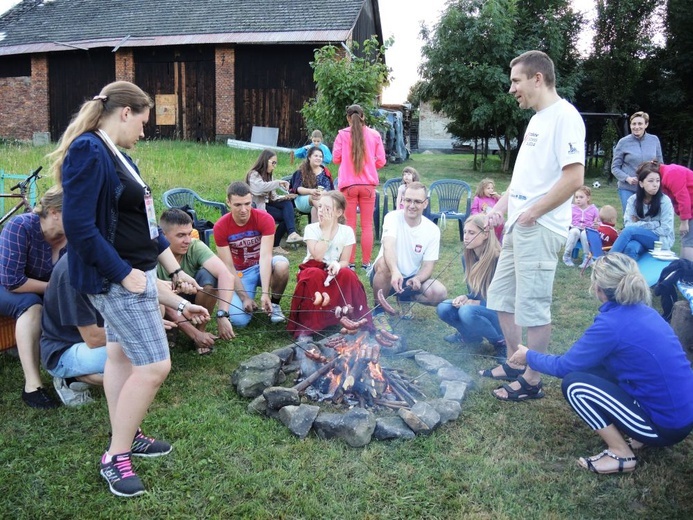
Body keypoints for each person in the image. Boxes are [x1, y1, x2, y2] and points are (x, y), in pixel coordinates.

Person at [52, 81, 207, 498]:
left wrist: (175, 270)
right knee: (156, 366)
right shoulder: (89, 150)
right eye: (143, 121)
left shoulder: (120, 154)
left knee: (119, 355)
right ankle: (115, 456)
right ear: (125, 112)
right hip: (116, 279)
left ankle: (130, 435)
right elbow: (79, 227)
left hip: (134, 272)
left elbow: (147, 226)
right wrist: (123, 273)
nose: (144, 131)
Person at [505, 254, 693, 474]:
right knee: (595, 369)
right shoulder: (645, 312)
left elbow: (564, 367)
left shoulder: (612, 324)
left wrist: (529, 355)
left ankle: (621, 454)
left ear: (599, 289)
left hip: (666, 426)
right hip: (681, 417)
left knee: (575, 385)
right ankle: (640, 436)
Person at [484, 50, 585, 400]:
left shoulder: (565, 117)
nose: (512, 89)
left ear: (537, 78)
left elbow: (574, 178)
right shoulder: (536, 120)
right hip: (518, 225)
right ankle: (515, 360)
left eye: (516, 81)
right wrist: (500, 207)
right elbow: (522, 182)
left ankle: (532, 378)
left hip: (541, 228)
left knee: (534, 305)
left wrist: (534, 212)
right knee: (501, 298)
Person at [42, 253, 210, 407]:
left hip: (100, 335)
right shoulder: (72, 274)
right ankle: (69, 378)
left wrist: (183, 305)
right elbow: (92, 338)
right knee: (133, 362)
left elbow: (147, 283)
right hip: (65, 349)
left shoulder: (110, 254)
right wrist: (142, 330)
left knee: (145, 349)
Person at [0, 186, 66, 409]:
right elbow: (12, 280)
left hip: (43, 289)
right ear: (55, 212)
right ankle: (32, 387)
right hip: (6, 286)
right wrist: (55, 288)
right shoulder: (22, 226)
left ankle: (72, 368)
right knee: (32, 305)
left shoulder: (73, 237)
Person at [287, 191, 372, 341]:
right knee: (314, 275)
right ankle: (309, 326)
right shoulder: (311, 229)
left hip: (333, 269)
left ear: (339, 212)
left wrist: (338, 265)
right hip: (313, 267)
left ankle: (350, 318)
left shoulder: (346, 231)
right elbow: (317, 256)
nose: (321, 211)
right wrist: (326, 230)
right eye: (320, 207)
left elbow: (345, 260)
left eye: (327, 208)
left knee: (348, 274)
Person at [370, 181, 447, 331]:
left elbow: (428, 265)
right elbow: (388, 246)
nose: (412, 205)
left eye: (417, 201)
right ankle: (378, 311)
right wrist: (395, 271)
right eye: (408, 200)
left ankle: (404, 298)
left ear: (425, 203)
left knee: (439, 293)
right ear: (403, 200)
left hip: (409, 279)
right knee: (385, 265)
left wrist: (417, 278)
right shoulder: (392, 217)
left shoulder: (432, 230)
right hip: (386, 275)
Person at [157, 209, 235, 355]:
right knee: (159, 299)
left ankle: (201, 330)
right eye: (180, 235)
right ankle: (183, 332)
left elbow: (226, 275)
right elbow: (162, 300)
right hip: (166, 303)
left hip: (193, 301)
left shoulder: (195, 246)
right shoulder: (151, 254)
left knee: (210, 278)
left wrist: (222, 314)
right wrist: (193, 334)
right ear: (163, 236)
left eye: (189, 233)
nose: (187, 240)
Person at [213, 181, 290, 327]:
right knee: (239, 321)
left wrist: (265, 293)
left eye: (247, 203)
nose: (244, 209)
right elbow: (228, 266)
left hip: (262, 265)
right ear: (228, 202)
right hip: (240, 272)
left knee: (282, 264)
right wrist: (244, 297)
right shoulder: (220, 227)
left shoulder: (265, 219)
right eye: (238, 205)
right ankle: (244, 298)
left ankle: (274, 304)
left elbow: (266, 257)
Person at [436, 214, 506, 360]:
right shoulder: (467, 258)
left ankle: (501, 342)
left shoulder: (498, 260)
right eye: (465, 232)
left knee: (467, 311)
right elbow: (475, 293)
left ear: (486, 234)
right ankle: (471, 336)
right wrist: (466, 297)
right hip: (483, 309)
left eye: (472, 233)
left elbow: (506, 300)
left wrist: (477, 303)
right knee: (443, 307)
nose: (466, 237)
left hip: (502, 314)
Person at [332, 104, 386, 270]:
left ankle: (350, 262)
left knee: (350, 226)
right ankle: (366, 263)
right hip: (368, 186)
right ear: (363, 116)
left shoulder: (342, 135)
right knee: (367, 225)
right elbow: (381, 161)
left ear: (348, 118)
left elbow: (336, 158)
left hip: (348, 185)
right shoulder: (374, 135)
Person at [610, 162, 674, 260]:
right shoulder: (633, 200)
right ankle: (627, 274)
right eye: (651, 181)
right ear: (641, 183)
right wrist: (655, 224)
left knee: (630, 231)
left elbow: (665, 229)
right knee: (631, 247)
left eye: (657, 181)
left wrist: (639, 226)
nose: (655, 185)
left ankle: (605, 263)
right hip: (639, 237)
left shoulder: (664, 201)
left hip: (660, 240)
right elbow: (628, 224)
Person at [245, 149, 302, 254]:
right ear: (265, 160)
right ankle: (276, 244)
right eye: (273, 163)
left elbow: (274, 196)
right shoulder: (254, 174)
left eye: (276, 163)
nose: (274, 166)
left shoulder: (269, 175)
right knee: (287, 216)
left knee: (287, 205)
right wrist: (278, 182)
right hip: (257, 207)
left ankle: (291, 234)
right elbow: (259, 188)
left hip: (268, 204)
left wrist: (286, 196)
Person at [611, 111, 663, 214]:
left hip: (648, 187)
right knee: (630, 216)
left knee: (647, 216)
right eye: (633, 124)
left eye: (640, 124)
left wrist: (655, 169)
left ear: (646, 124)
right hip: (628, 188)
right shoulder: (623, 142)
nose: (636, 127)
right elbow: (615, 168)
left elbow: (661, 164)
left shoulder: (654, 140)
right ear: (630, 125)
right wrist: (627, 178)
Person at [657, 161, 693, 261]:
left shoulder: (671, 173)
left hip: (690, 209)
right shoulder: (667, 173)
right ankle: (682, 269)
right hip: (690, 209)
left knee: (689, 243)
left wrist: (684, 222)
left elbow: (683, 198)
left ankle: (687, 274)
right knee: (686, 241)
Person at [289, 146, 334, 223]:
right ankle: (328, 216)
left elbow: (329, 189)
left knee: (315, 209)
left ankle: (316, 233)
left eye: (320, 156)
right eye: (316, 156)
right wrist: (311, 191)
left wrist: (321, 193)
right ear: (309, 157)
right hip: (302, 199)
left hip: (320, 199)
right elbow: (298, 189)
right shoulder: (301, 171)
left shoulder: (325, 172)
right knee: (314, 197)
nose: (318, 158)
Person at [562, 186, 599, 268]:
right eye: (576, 197)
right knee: (575, 231)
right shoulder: (572, 208)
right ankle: (567, 255)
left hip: (587, 232)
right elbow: (566, 219)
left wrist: (597, 225)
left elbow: (598, 222)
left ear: (588, 198)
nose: (578, 199)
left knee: (585, 234)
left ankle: (587, 258)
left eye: (581, 197)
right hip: (574, 230)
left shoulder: (594, 209)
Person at [471, 178, 503, 242]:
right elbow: (473, 210)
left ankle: (497, 241)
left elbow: (502, 204)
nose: (491, 190)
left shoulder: (494, 198)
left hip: (494, 220)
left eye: (492, 188)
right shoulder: (477, 199)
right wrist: (478, 215)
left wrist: (498, 196)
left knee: (500, 225)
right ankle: (485, 241)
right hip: (482, 219)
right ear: (482, 189)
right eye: (488, 188)